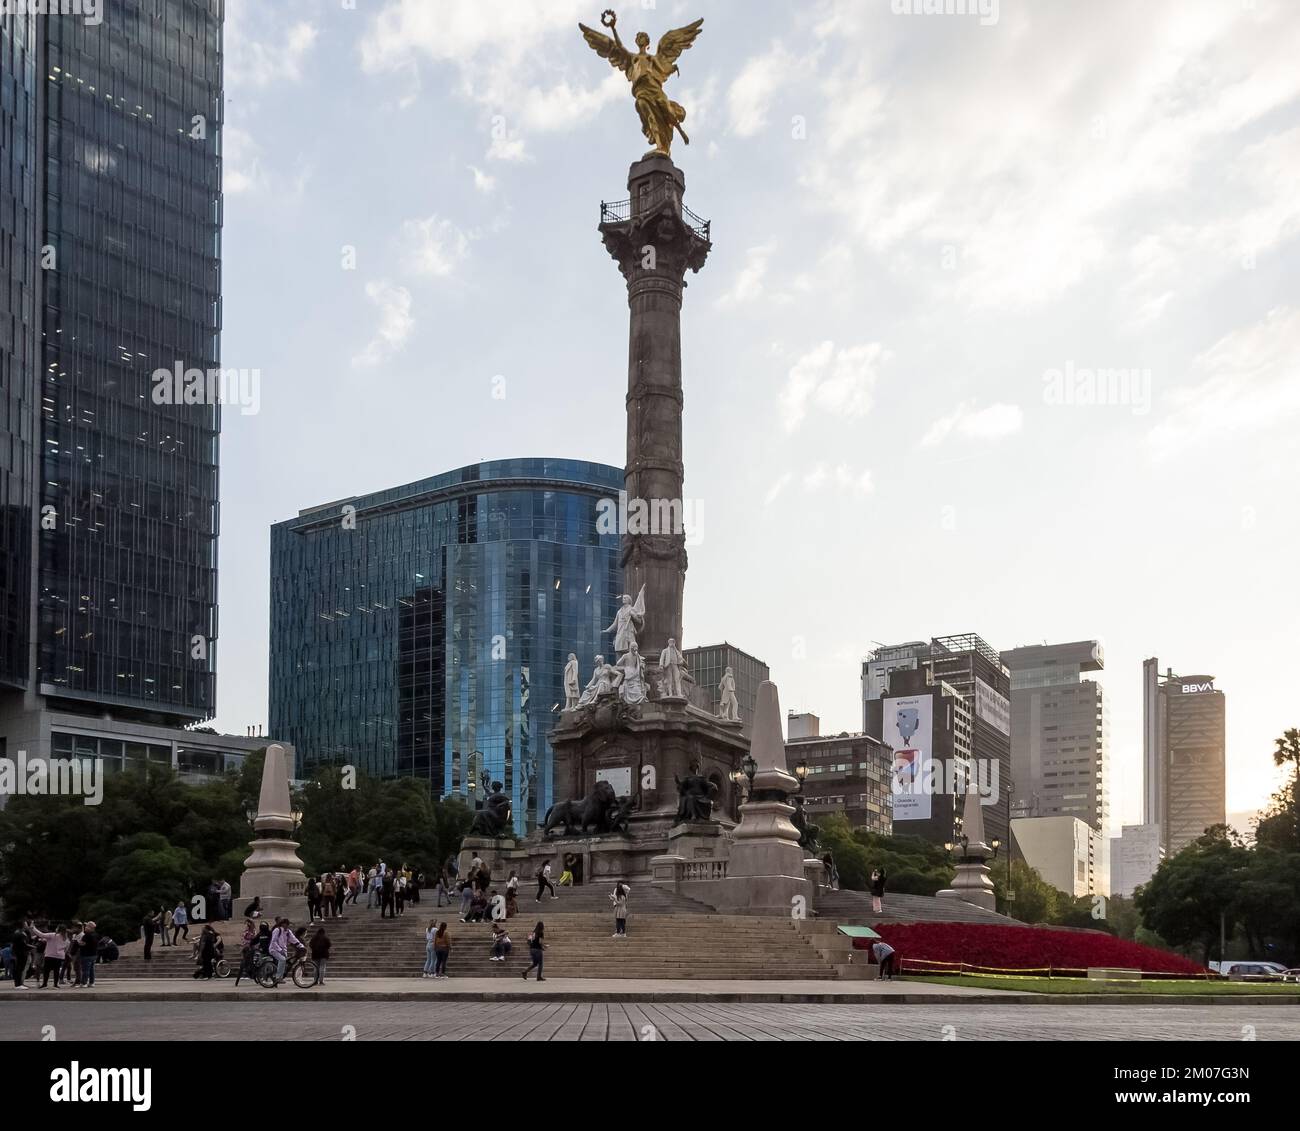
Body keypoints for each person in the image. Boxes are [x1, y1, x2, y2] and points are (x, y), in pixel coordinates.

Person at [269, 918, 301, 983]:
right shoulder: (277, 930)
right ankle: (278, 977)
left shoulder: (288, 932)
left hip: (283, 951)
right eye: (287, 925)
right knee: (282, 960)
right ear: (283, 924)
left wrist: (300, 946)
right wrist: (280, 950)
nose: (287, 926)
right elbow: (273, 942)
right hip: (274, 949)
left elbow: (294, 939)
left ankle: (280, 976)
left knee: (285, 963)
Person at [10, 919, 32, 989]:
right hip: (20, 953)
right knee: (19, 968)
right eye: (25, 924)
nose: (27, 925)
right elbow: (23, 944)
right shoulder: (20, 933)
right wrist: (33, 947)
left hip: (20, 953)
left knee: (20, 968)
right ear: (22, 925)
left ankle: (19, 984)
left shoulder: (20, 933)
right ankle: (18, 984)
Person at [78, 921, 99, 987]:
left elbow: (82, 943)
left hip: (86, 955)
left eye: (87, 926)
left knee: (85, 970)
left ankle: (84, 983)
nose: (85, 927)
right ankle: (91, 983)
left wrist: (78, 941)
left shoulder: (87, 935)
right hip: (94, 954)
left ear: (90, 927)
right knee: (91, 970)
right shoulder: (95, 934)